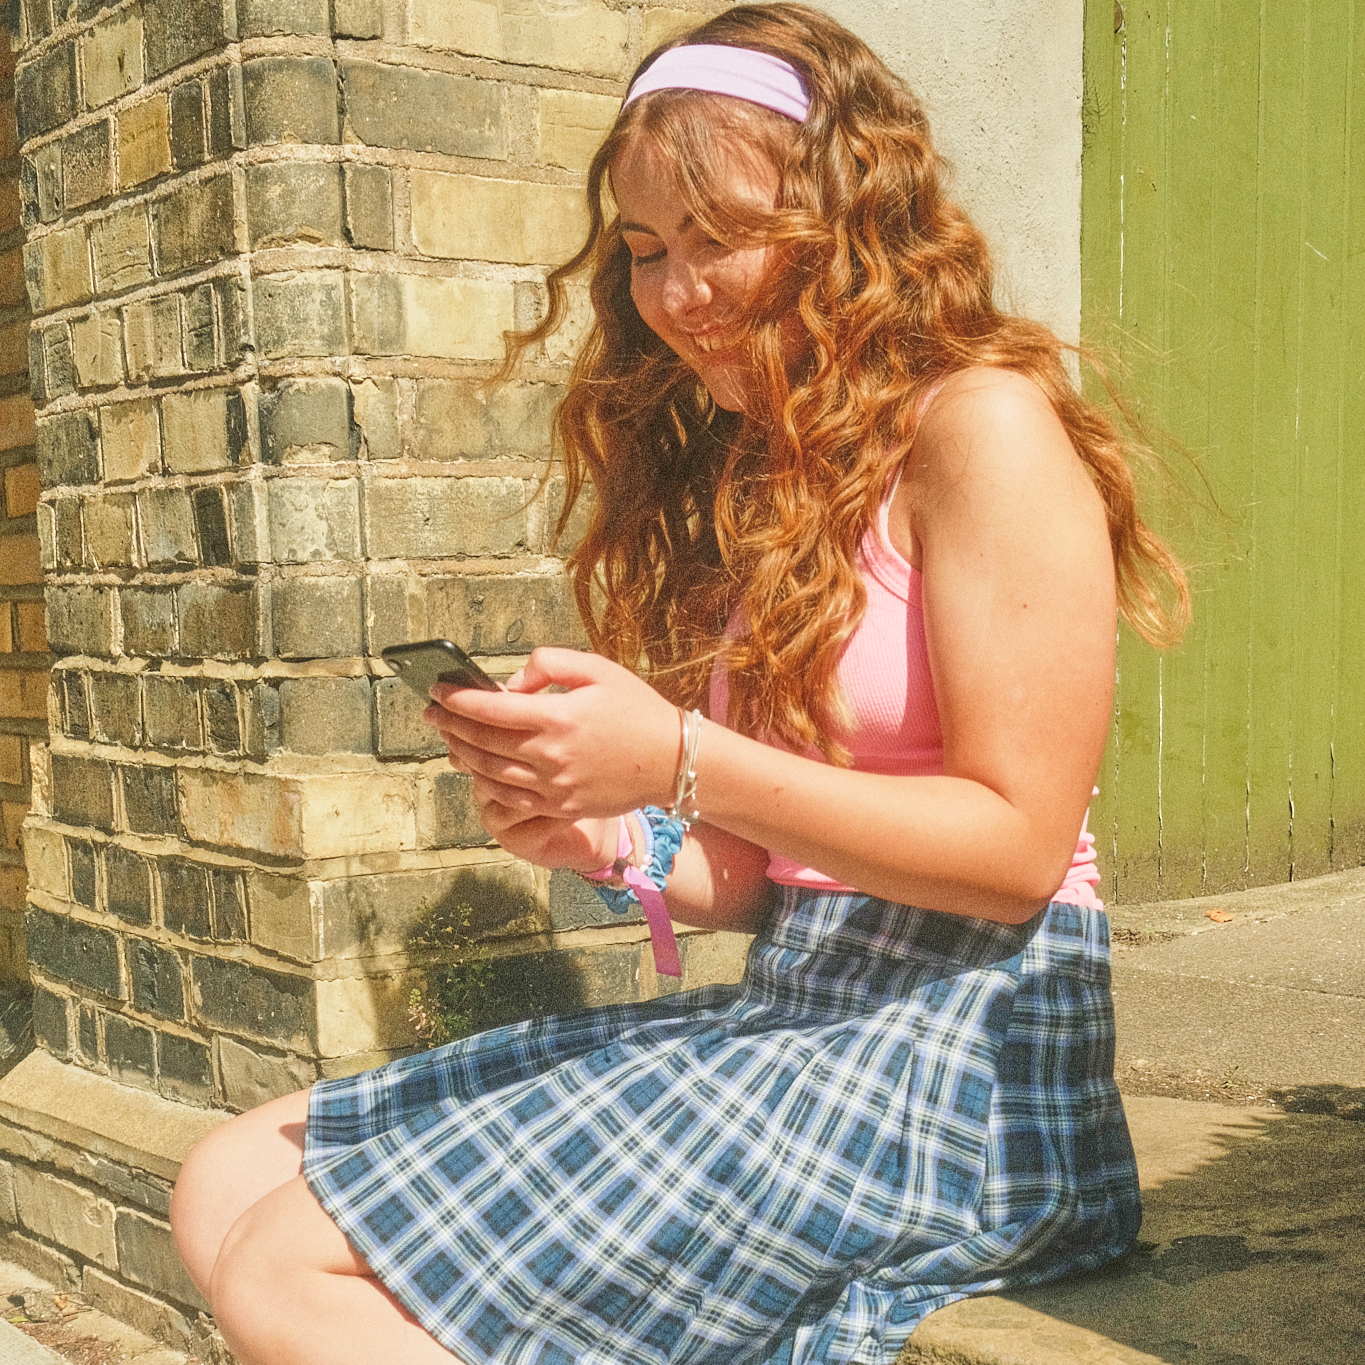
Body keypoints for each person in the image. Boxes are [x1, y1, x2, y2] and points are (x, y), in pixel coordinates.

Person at [169, 6, 1189, 1363]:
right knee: (225, 1178)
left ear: (850, 220)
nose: (675, 290)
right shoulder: (773, 478)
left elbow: (1013, 848)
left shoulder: (981, 426)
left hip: (969, 1055)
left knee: (292, 1272)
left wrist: (681, 757)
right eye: (648, 250)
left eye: (720, 238)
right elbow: (762, 880)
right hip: (808, 1008)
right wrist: (602, 834)